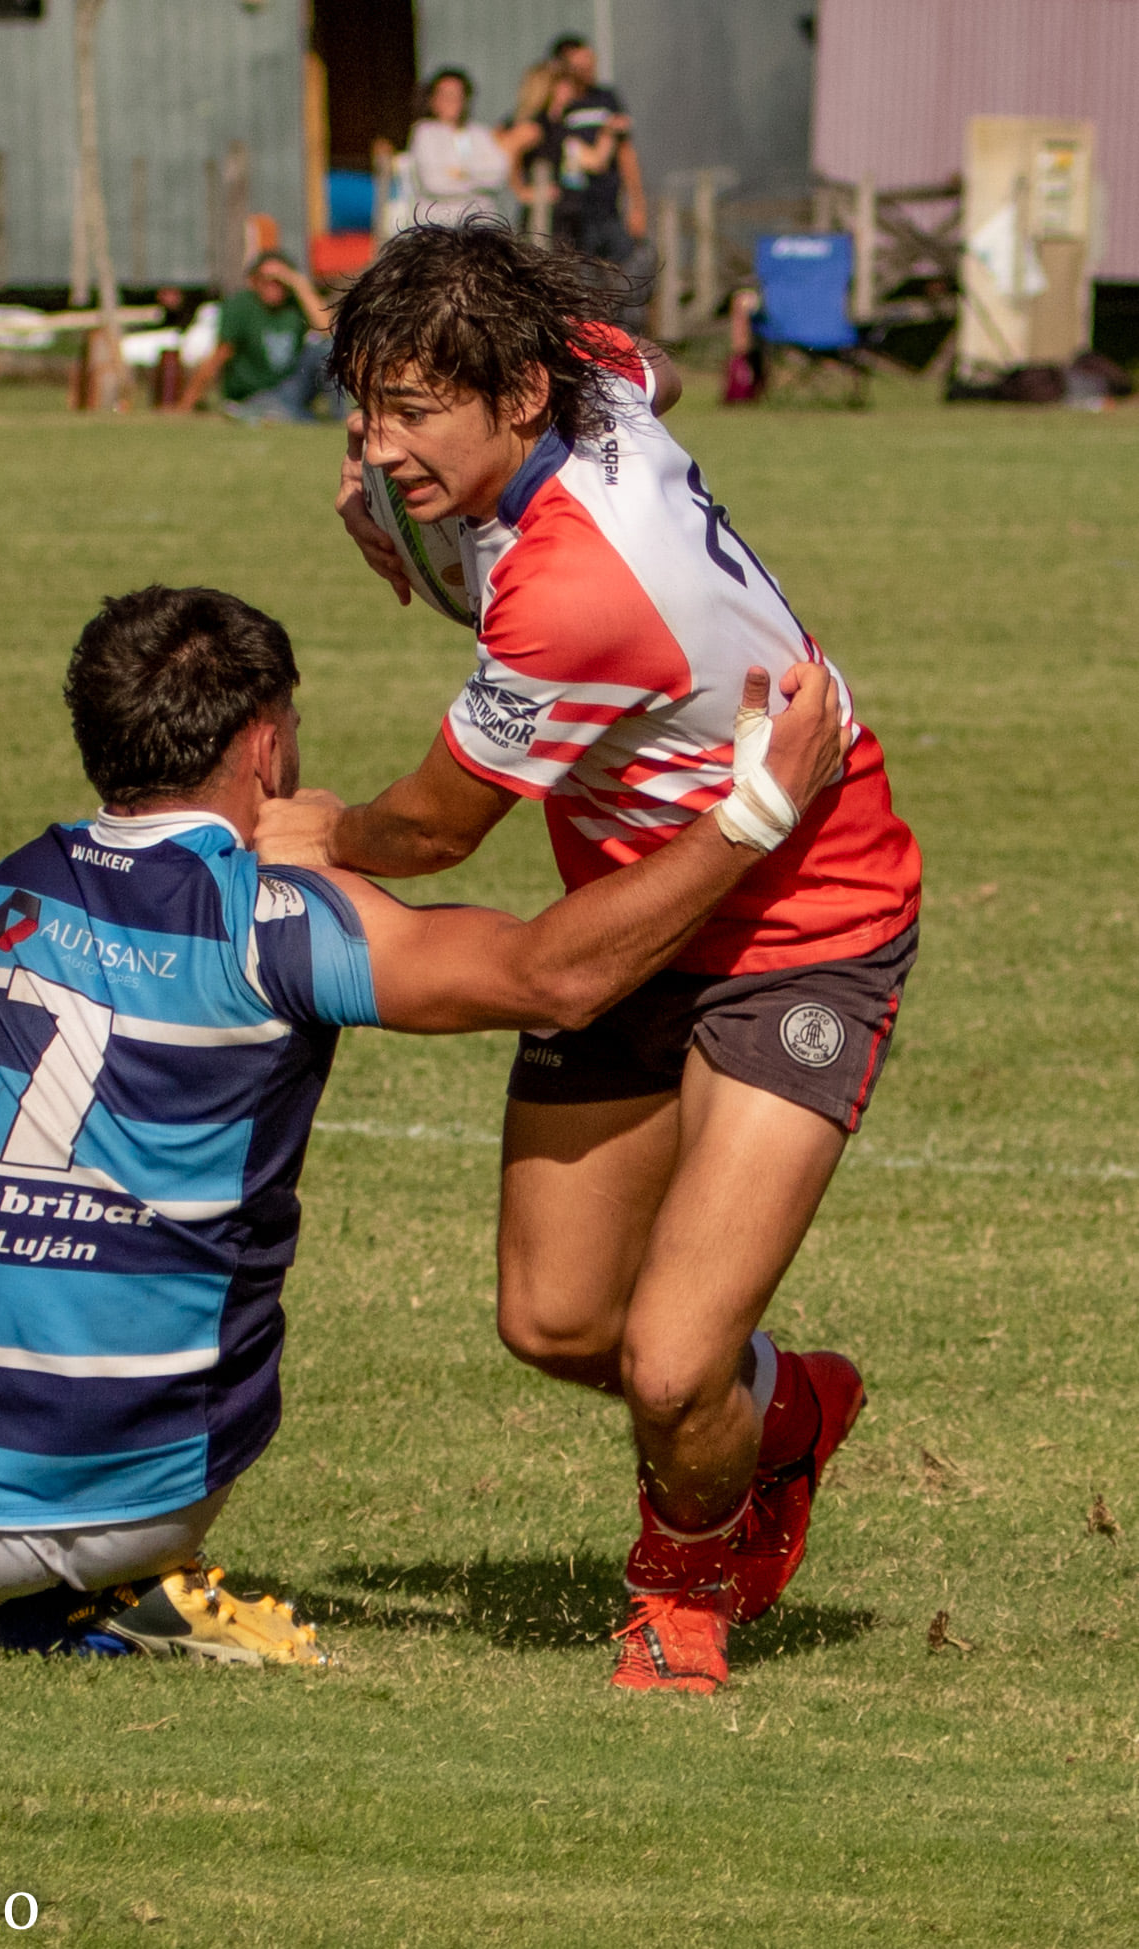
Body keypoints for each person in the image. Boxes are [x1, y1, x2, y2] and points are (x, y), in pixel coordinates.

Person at [0, 582, 845, 1662]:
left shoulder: (11, 891)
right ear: (264, 745)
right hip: (159, 1479)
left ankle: (37, 1614)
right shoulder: (278, 924)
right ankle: (76, 1601)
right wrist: (755, 808)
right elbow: (551, 976)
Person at [255, 220, 923, 1696]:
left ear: (518, 401)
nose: (379, 443)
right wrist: (397, 498)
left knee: (670, 1361)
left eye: (415, 412)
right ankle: (788, 1410)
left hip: (800, 916)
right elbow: (655, 370)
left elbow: (433, 834)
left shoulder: (573, 595)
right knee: (559, 1322)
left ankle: (684, 1580)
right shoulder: (586, 381)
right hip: (636, 909)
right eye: (363, 406)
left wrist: (318, 835)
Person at [533, 35, 652, 325]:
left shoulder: (605, 99)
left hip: (607, 208)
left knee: (627, 275)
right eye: (580, 65)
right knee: (583, 287)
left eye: (591, 63)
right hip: (571, 214)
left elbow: (623, 155)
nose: (588, 70)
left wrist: (637, 202)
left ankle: (627, 339)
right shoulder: (553, 110)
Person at [173, 252, 335, 423]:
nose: (273, 286)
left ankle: (340, 418)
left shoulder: (294, 304)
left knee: (328, 349)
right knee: (280, 412)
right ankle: (280, 414)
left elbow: (328, 330)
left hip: (291, 386)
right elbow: (220, 355)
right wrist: (187, 403)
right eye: (266, 280)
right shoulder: (242, 306)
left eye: (279, 281)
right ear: (254, 281)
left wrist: (299, 284)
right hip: (255, 393)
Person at [407, 69, 538, 226]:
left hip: (481, 223)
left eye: (457, 94)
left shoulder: (479, 133)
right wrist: (476, 179)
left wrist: (461, 174)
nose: (452, 100)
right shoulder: (424, 133)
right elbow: (434, 183)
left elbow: (498, 174)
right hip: (439, 224)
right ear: (433, 99)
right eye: (446, 94)